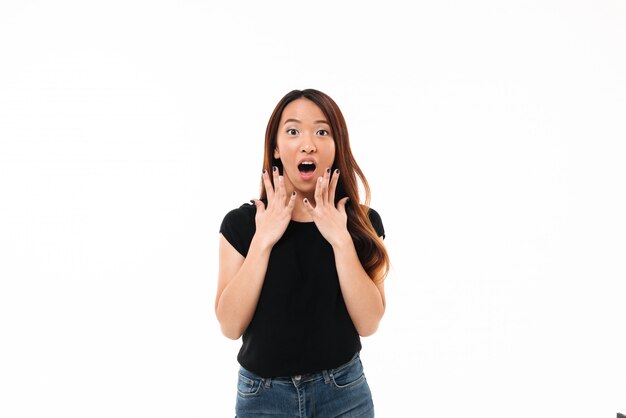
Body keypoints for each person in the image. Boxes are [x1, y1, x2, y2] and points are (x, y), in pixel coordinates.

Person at [215, 89, 390, 417]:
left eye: (322, 131)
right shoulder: (241, 224)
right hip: (263, 398)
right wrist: (264, 239)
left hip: (344, 394)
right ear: (277, 149)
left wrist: (341, 240)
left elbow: (369, 323)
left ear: (336, 147)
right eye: (293, 131)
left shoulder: (364, 223)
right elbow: (229, 325)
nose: (308, 143)